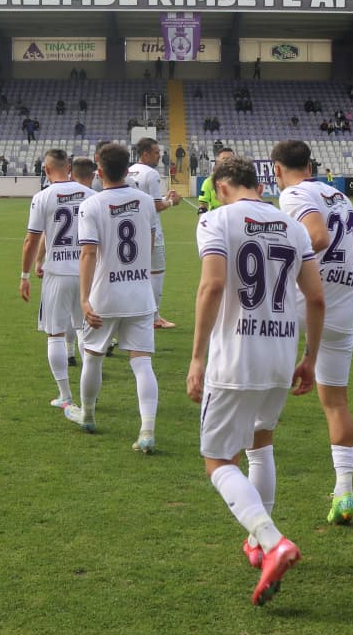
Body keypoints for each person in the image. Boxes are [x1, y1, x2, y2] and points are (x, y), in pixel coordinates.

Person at [188, 154, 325, 605]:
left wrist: (196, 357)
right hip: (281, 354)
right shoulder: (292, 225)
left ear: (223, 187)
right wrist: (309, 358)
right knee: (260, 444)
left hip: (235, 358)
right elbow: (316, 298)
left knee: (217, 461)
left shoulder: (217, 220)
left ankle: (271, 541)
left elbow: (211, 287)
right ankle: (258, 543)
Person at [274, 139, 353, 525]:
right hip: (345, 299)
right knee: (336, 401)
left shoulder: (294, 194)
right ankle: (344, 491)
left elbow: (317, 237)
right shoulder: (340, 196)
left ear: (277, 170)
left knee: (259, 370)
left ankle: (250, 456)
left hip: (308, 295)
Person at [69, 143, 161, 452]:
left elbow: (88, 253)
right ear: (128, 168)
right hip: (139, 293)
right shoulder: (146, 201)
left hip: (105, 295)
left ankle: (88, 414)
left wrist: (84, 299)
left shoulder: (92, 205)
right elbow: (147, 244)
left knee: (92, 357)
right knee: (142, 363)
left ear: (99, 170)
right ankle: (147, 430)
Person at [20, 150, 93, 410]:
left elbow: (32, 240)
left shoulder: (42, 197)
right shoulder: (91, 196)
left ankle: (65, 395)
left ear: (46, 169)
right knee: (86, 333)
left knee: (55, 334)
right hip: (87, 275)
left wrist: (26, 274)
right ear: (69, 167)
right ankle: (89, 398)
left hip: (57, 274)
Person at [126, 138, 183, 329]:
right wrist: (172, 202)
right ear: (145, 154)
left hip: (132, 230)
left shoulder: (130, 170)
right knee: (156, 273)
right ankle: (154, 317)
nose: (159, 155)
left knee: (138, 273)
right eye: (156, 152)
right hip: (152, 231)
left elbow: (149, 201)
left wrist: (165, 198)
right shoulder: (151, 174)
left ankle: (138, 312)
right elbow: (156, 206)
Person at [197, 147, 234, 215]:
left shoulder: (241, 181)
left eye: (229, 159)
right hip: (216, 222)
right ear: (218, 161)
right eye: (224, 159)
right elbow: (202, 207)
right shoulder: (208, 182)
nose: (226, 161)